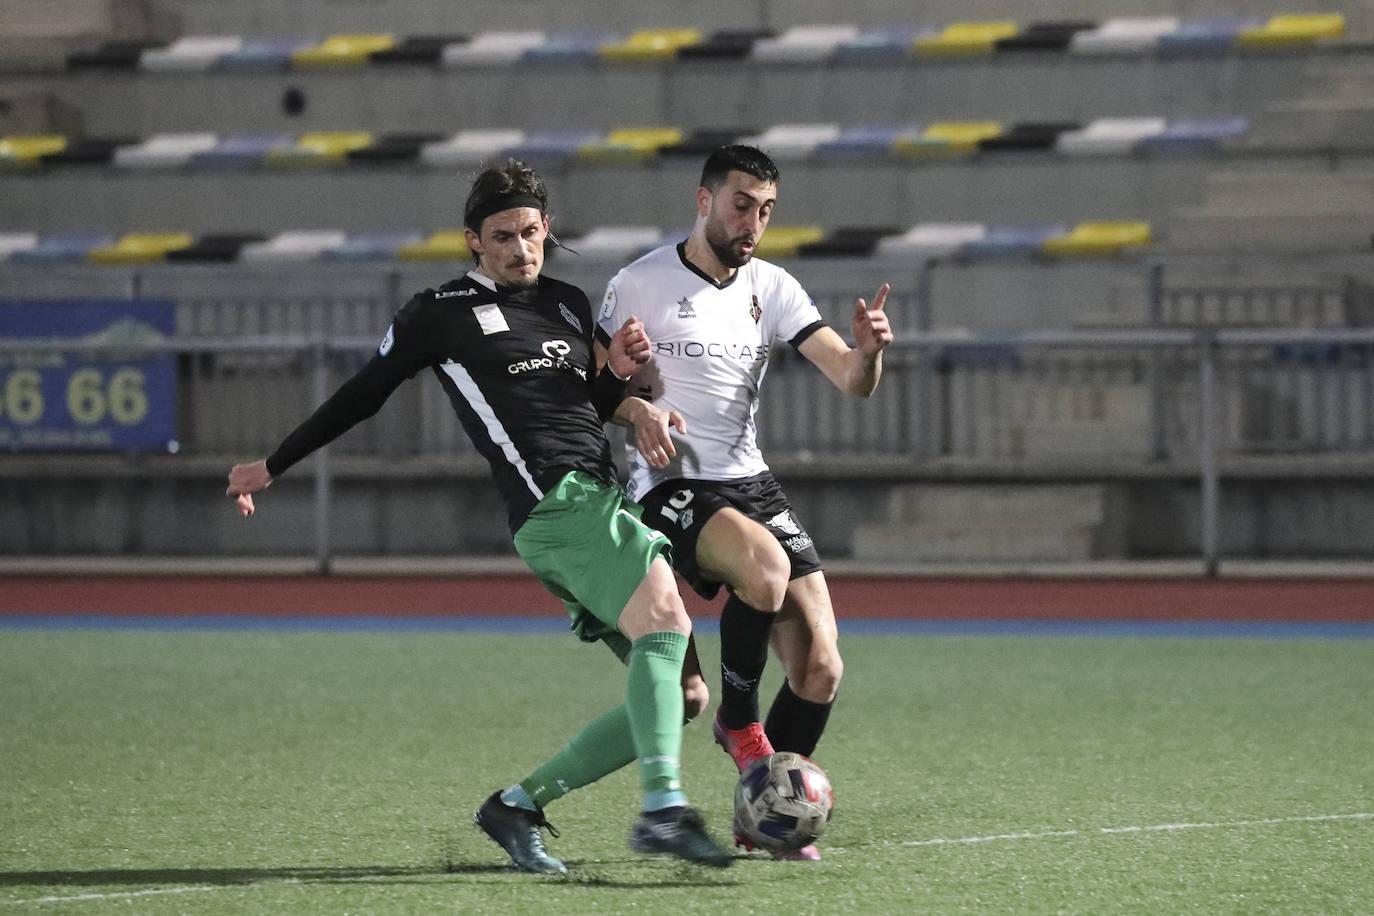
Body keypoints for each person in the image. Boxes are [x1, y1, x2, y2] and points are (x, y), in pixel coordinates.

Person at [226, 159, 730, 873]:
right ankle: (662, 808)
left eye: (530, 232)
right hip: (557, 503)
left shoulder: (565, 303)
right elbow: (363, 394)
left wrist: (628, 385)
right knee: (668, 625)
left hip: (597, 497)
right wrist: (272, 464)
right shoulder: (440, 313)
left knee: (683, 693)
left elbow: (587, 400)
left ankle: (517, 806)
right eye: (502, 237)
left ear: (546, 230)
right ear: (473, 241)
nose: (520, 248)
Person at [596, 144, 893, 861]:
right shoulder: (637, 284)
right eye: (740, 204)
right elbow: (592, 393)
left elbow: (852, 380)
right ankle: (738, 721)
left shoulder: (774, 287)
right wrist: (631, 392)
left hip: (749, 482)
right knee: (762, 570)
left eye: (765, 209)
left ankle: (765, 817)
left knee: (823, 667)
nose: (752, 220)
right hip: (669, 482)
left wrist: (870, 352)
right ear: (703, 201)